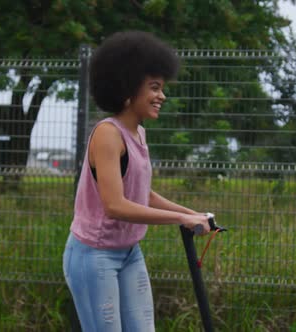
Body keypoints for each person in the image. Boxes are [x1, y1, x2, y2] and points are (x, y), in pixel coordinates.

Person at [63, 30, 211, 331]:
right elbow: (116, 205)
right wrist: (179, 218)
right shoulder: (108, 134)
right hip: (95, 254)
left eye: (162, 88)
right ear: (128, 87)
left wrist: (191, 213)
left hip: (130, 251)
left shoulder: (138, 133)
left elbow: (143, 193)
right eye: (154, 88)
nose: (162, 96)